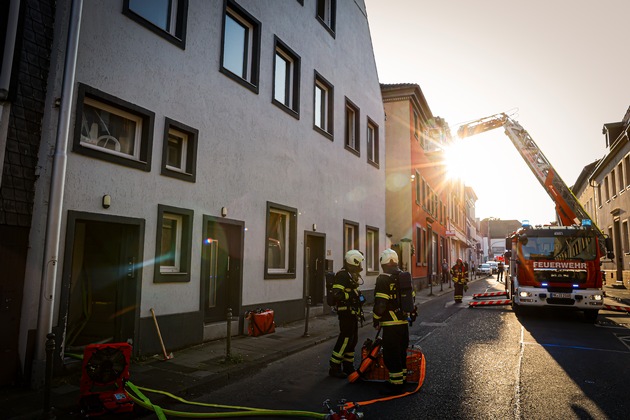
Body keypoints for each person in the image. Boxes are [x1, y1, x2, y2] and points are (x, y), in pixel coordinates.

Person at [373, 249, 418, 394]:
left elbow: (381, 304)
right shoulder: (403, 277)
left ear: (383, 263)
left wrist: (376, 318)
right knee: (401, 352)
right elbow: (412, 298)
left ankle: (396, 383)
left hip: (390, 324)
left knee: (391, 354)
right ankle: (402, 378)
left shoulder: (383, 279)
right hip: (403, 322)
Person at [328, 250, 365, 378]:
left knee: (353, 340)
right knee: (345, 339)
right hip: (346, 312)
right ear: (353, 261)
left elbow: (354, 292)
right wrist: (353, 296)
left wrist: (359, 297)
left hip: (353, 312)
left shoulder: (350, 275)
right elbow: (337, 294)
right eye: (359, 263)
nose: (360, 266)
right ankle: (334, 366)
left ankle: (348, 366)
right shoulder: (342, 275)